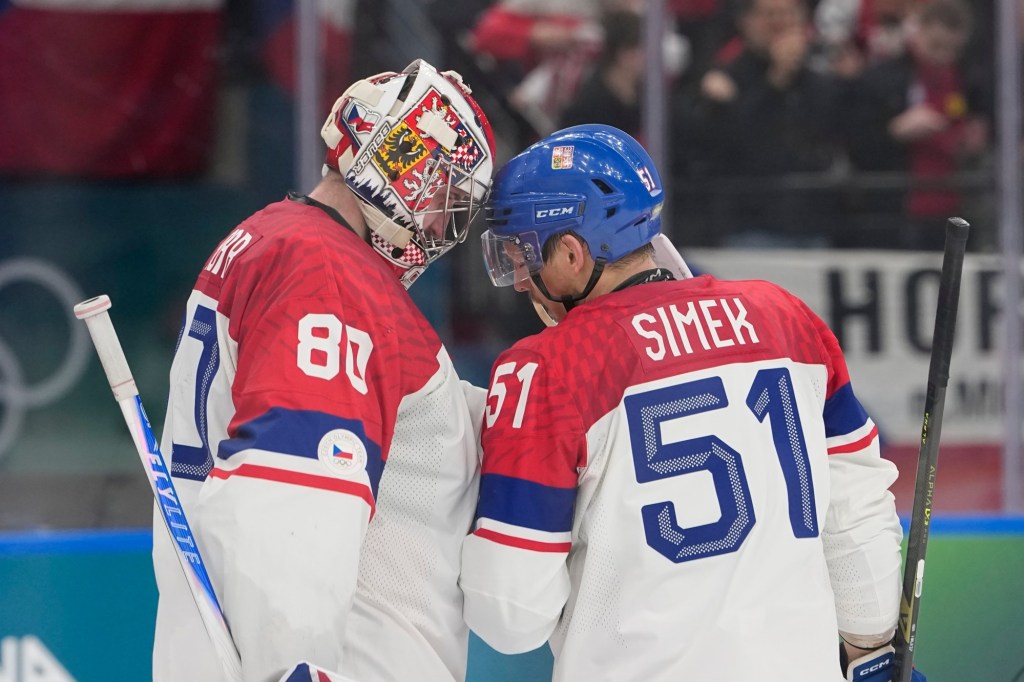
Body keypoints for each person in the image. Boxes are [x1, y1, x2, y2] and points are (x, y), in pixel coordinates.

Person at [459, 123, 925, 682]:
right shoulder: (784, 317)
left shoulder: (548, 369)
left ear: (571, 253)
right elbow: (857, 517)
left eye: (520, 254)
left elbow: (511, 617)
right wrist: (871, 650)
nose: (518, 282)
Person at [152, 59, 495, 681]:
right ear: (403, 166)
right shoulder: (330, 275)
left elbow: (409, 435)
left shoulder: (279, 239)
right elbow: (292, 501)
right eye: (445, 197)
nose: (444, 229)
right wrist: (294, 664)